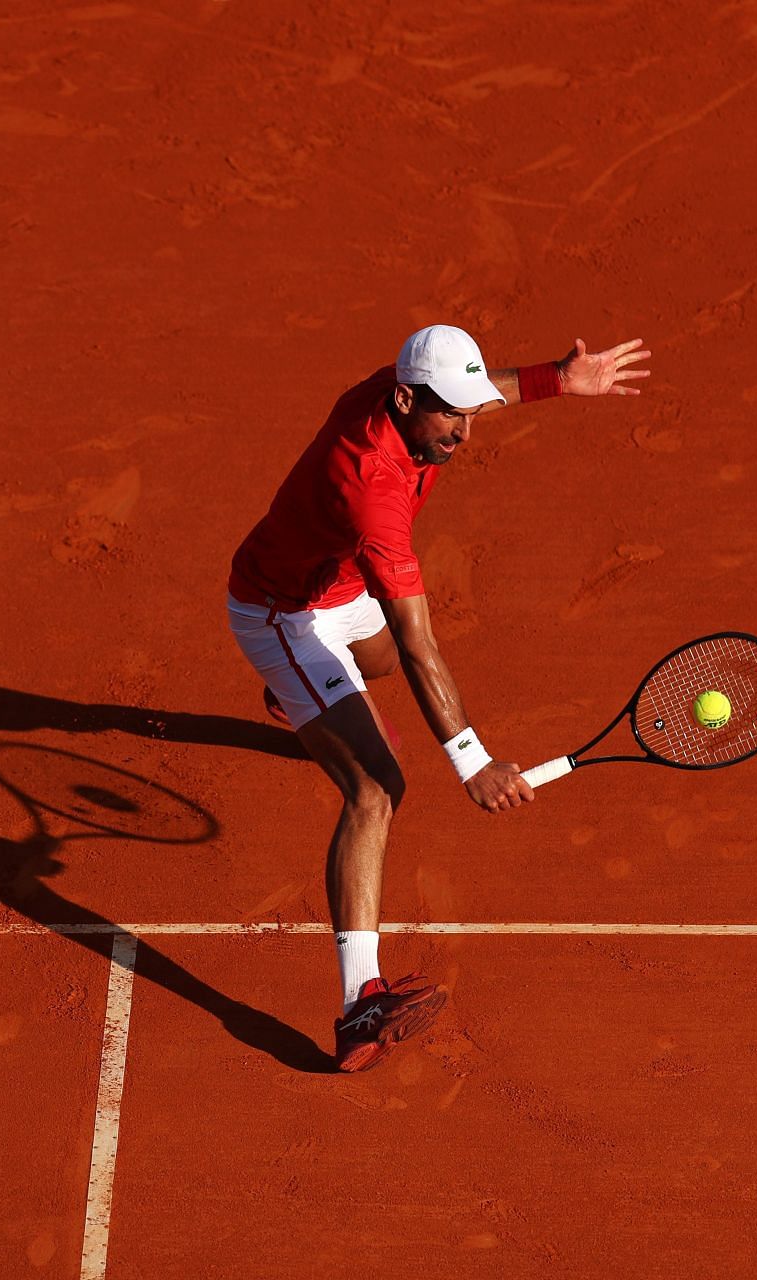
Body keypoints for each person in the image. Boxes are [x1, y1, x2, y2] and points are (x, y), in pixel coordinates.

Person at [226, 324, 651, 1071]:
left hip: (341, 586)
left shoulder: (415, 403)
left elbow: (489, 393)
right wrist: (472, 761)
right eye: (449, 413)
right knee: (377, 785)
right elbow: (426, 646)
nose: (462, 428)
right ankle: (360, 1005)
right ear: (403, 399)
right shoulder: (372, 494)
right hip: (283, 609)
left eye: (467, 408)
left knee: (377, 661)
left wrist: (560, 376)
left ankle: (302, 699)